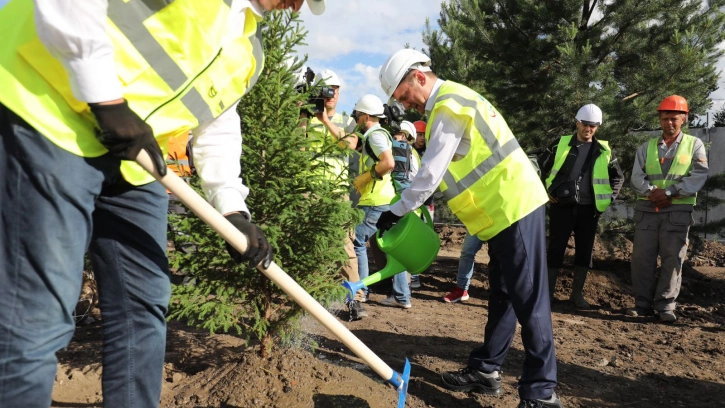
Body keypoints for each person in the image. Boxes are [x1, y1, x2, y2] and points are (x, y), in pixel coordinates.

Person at [0, 1, 325, 407]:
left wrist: (231, 208)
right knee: (35, 315)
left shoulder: (248, 48)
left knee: (143, 309)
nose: (296, 7)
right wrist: (105, 99)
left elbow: (218, 122)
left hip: (135, 168)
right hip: (48, 114)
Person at [377, 49, 561, 408]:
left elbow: (430, 172)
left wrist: (397, 210)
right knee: (505, 295)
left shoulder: (449, 105)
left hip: (515, 206)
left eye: (403, 95)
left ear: (418, 77)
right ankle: (487, 371)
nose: (406, 104)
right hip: (501, 214)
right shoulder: (450, 104)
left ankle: (542, 394)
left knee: (530, 300)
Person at [626, 95, 708, 323]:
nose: (669, 123)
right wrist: (655, 192)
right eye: (665, 118)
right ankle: (642, 305)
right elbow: (636, 177)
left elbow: (699, 175)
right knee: (642, 259)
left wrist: (670, 192)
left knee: (673, 259)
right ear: (660, 119)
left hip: (677, 212)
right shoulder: (646, 147)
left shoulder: (695, 145)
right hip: (647, 209)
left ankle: (665, 306)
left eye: (674, 118)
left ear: (684, 119)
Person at [539, 104, 624, 309]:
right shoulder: (560, 144)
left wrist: (608, 199)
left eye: (593, 126)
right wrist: (545, 192)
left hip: (589, 210)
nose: (589, 129)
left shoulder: (604, 150)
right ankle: (548, 295)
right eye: (585, 124)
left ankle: (577, 296)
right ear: (577, 122)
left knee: (584, 252)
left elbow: (618, 177)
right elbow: (540, 167)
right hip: (562, 207)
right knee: (555, 249)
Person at [301, 69, 365, 319]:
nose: (331, 94)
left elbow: (350, 144)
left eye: (335, 89)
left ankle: (355, 300)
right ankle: (312, 300)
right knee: (311, 247)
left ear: (340, 92)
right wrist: (304, 115)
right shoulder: (305, 117)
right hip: (310, 191)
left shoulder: (347, 121)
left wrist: (325, 120)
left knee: (345, 248)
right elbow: (298, 144)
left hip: (338, 193)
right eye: (326, 89)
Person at [351, 94, 412, 309]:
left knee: (356, 242)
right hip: (386, 199)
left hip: (375, 201)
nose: (356, 120)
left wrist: (364, 177)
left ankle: (360, 292)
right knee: (391, 248)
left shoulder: (375, 135)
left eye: (357, 116)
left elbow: (388, 163)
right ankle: (402, 297)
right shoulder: (382, 134)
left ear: (366, 116)